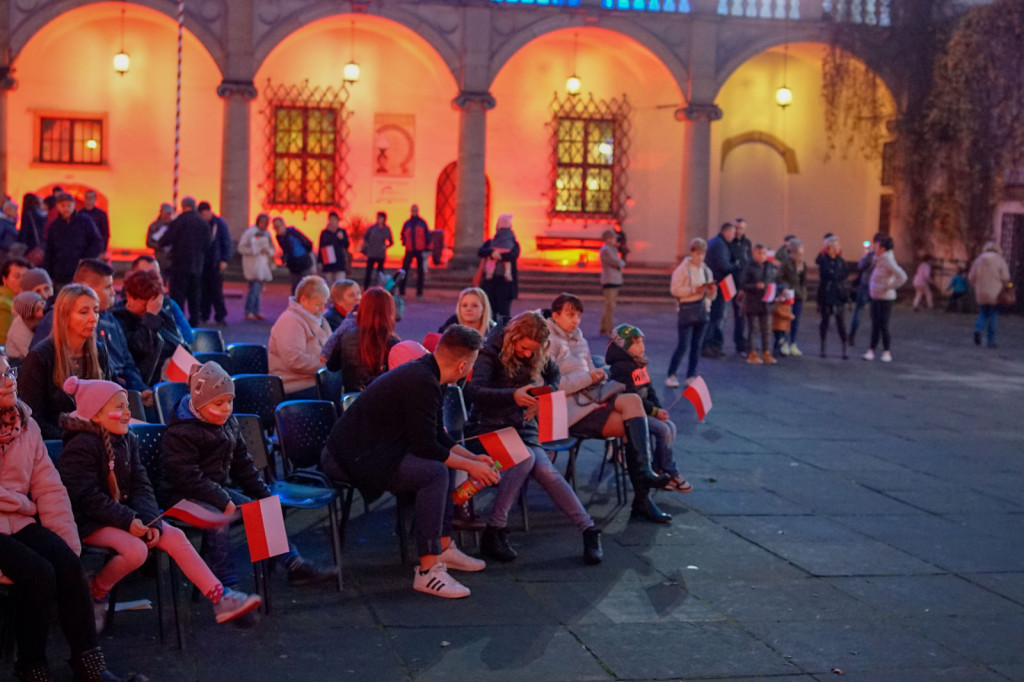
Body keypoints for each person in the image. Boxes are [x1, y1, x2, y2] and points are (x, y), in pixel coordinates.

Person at [55, 376, 261, 631]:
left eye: (127, 407)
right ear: (96, 415)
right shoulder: (81, 446)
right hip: (89, 520)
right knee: (136, 551)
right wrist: (129, 521)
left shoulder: (127, 439)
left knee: (172, 535)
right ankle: (97, 590)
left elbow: (141, 485)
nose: (126, 413)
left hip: (125, 515)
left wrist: (149, 518)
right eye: (118, 408)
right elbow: (86, 497)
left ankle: (221, 597)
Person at [0, 353, 149, 682]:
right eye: (2, 377)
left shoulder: (25, 424)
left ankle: (89, 665)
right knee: (37, 572)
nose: (11, 380)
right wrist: (12, 499)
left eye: (9, 371)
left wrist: (65, 541)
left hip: (17, 521)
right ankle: (31, 667)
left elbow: (48, 486)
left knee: (67, 564)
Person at [321, 326, 498, 599]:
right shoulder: (423, 381)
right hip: (350, 459)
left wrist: (472, 458)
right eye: (473, 363)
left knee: (442, 466)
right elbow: (426, 446)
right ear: (464, 365)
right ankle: (428, 571)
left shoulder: (429, 373)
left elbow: (436, 435)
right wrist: (471, 467)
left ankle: (443, 545)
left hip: (371, 451)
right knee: (435, 472)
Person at [160, 361, 336, 591]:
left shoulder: (227, 422)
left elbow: (242, 463)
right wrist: (223, 499)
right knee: (218, 517)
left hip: (212, 489)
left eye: (230, 401)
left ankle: (293, 564)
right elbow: (186, 477)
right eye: (219, 403)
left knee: (259, 509)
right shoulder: (180, 431)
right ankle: (225, 584)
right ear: (199, 403)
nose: (226, 408)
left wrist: (263, 495)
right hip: (180, 495)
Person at [464, 312, 603, 565]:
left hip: (520, 425)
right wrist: (513, 396)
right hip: (487, 427)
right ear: (513, 337)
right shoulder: (489, 352)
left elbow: (554, 374)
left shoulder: (536, 351)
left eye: (533, 351)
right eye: (525, 348)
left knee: (547, 472)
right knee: (525, 459)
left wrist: (543, 396)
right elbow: (472, 391)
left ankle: (588, 530)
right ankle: (495, 529)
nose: (528, 355)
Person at [544, 294, 672, 522]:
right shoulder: (548, 342)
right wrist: (589, 378)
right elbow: (552, 385)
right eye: (570, 315)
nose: (576, 320)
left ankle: (645, 480)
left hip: (591, 400)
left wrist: (599, 377)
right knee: (629, 428)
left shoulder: (579, 339)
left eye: (579, 315)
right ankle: (643, 495)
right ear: (555, 316)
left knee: (632, 400)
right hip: (568, 411)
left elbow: (590, 371)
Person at [606, 324, 691, 493]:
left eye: (641, 342)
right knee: (663, 430)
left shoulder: (639, 364)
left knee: (670, 427)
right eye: (636, 343)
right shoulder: (622, 367)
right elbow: (632, 395)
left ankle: (658, 467)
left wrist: (658, 409)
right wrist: (654, 411)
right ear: (624, 346)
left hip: (646, 410)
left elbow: (649, 390)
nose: (641, 346)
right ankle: (670, 471)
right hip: (632, 414)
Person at [19, 284, 110, 439]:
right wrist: (72, 439)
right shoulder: (40, 357)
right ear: (64, 316)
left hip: (95, 440)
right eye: (84, 312)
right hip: (57, 443)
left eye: (96, 311)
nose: (93, 318)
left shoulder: (100, 352)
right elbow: (33, 418)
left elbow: (108, 402)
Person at [110, 269, 188, 386]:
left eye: (153, 305)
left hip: (173, 378)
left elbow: (180, 345)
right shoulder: (117, 319)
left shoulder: (162, 315)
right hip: (144, 383)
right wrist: (150, 317)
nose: (149, 309)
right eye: (144, 305)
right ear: (129, 297)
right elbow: (138, 349)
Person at [323, 287, 398, 393]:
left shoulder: (347, 335)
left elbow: (332, 365)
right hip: (380, 402)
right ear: (388, 312)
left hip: (351, 402)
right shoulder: (392, 343)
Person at [268, 275, 331, 399]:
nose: (323, 309)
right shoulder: (290, 321)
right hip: (296, 386)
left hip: (318, 382)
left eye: (324, 303)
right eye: (318, 304)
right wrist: (327, 364)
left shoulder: (320, 320)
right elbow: (295, 360)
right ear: (303, 300)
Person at [666, 238, 716, 388]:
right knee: (683, 344)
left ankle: (691, 375)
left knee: (697, 345)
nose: (700, 257)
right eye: (698, 253)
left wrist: (711, 292)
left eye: (703, 254)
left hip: (703, 310)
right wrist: (695, 290)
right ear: (692, 252)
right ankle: (672, 374)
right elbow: (675, 290)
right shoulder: (682, 269)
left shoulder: (707, 270)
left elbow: (712, 295)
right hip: (687, 309)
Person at [158, 197, 212, 327]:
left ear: (183, 206)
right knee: (194, 295)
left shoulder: (179, 221)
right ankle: (194, 322)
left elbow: (166, 239)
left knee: (178, 296)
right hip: (197, 265)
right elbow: (208, 243)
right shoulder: (202, 222)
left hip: (179, 264)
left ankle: (179, 322)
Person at [44, 193, 104, 289]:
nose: (66, 209)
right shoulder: (54, 226)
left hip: (82, 271)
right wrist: (49, 274)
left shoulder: (85, 221)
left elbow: (97, 242)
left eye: (69, 205)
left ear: (74, 205)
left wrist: (86, 258)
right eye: (63, 206)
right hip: (61, 273)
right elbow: (49, 251)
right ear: (58, 207)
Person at [863, 235, 907, 362]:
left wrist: (889, 286)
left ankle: (886, 351)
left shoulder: (888, 260)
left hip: (885, 298)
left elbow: (902, 276)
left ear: (882, 248)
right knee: (875, 325)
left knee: (883, 325)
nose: (874, 247)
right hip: (876, 296)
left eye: (876, 245)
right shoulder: (878, 259)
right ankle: (871, 350)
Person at [701, 222, 739, 358]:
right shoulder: (720, 245)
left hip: (717, 284)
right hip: (721, 285)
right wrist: (737, 266)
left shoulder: (715, 242)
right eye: (733, 233)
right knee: (717, 317)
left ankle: (710, 345)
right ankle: (710, 346)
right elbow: (724, 266)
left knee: (715, 317)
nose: (734, 236)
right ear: (726, 232)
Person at [738, 244, 777, 365]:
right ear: (754, 254)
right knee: (753, 329)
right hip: (752, 302)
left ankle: (766, 352)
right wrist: (755, 286)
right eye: (759, 253)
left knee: (767, 329)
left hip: (766, 302)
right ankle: (752, 352)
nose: (762, 256)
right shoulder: (748, 267)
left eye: (764, 253)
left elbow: (774, 281)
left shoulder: (770, 267)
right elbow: (742, 284)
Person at [477, 214, 520, 321]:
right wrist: (492, 253)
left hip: (505, 283)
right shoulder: (490, 242)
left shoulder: (514, 243)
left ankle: (504, 332)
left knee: (504, 311)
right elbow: (481, 252)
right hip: (490, 283)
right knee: (489, 310)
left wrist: (498, 256)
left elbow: (513, 255)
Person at [968, 242, 1011, 348]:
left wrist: (977, 284)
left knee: (983, 313)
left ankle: (978, 329)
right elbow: (1006, 277)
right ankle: (990, 341)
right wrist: (1009, 286)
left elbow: (971, 277)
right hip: (996, 292)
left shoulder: (978, 260)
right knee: (993, 315)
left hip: (981, 292)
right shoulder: (1000, 260)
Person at [197, 201, 232, 326]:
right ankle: (204, 314)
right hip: (203, 263)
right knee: (204, 291)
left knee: (217, 291)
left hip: (215, 262)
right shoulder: (203, 224)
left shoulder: (219, 224)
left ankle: (220, 315)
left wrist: (224, 259)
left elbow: (226, 241)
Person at [816, 235, 850, 359]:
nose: (838, 248)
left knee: (840, 321)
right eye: (836, 246)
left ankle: (844, 346)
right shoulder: (824, 260)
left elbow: (845, 274)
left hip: (838, 294)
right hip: (827, 294)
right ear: (830, 247)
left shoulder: (840, 261)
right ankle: (823, 346)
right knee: (825, 321)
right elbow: (827, 275)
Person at [237, 213, 276, 321]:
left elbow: (272, 247)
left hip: (262, 263)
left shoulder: (267, 233)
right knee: (254, 288)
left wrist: (268, 252)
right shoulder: (249, 233)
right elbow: (241, 248)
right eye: (263, 222)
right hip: (252, 263)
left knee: (258, 288)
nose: (265, 225)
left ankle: (256, 310)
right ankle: (249, 310)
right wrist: (254, 251)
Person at [777, 238, 806, 356]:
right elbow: (779, 277)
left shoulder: (802, 264)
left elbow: (803, 281)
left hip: (798, 294)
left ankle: (793, 343)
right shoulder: (786, 263)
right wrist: (785, 287)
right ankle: (783, 342)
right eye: (801, 247)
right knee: (786, 319)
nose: (803, 250)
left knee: (795, 320)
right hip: (788, 294)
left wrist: (803, 293)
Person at [848, 237, 879, 347]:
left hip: (866, 284)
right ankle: (875, 339)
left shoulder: (871, 256)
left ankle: (851, 336)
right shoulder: (883, 256)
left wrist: (863, 257)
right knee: (875, 314)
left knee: (858, 311)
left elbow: (861, 266)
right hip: (877, 285)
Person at [729, 218, 753, 354]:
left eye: (741, 228)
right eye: (737, 228)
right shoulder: (729, 243)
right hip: (732, 282)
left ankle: (742, 343)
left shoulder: (747, 243)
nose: (739, 231)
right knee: (734, 315)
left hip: (744, 284)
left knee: (742, 315)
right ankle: (739, 342)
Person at [274, 217, 315, 294]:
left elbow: (307, 244)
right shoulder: (280, 237)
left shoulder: (292, 233)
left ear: (283, 225)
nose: (277, 229)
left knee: (304, 288)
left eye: (278, 226)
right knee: (295, 289)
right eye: (275, 227)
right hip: (293, 266)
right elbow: (287, 250)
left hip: (303, 263)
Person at [399, 205, 430, 300]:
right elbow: (402, 234)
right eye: (413, 210)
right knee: (404, 271)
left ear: (418, 211)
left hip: (420, 250)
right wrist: (405, 243)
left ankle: (419, 293)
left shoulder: (422, 222)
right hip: (409, 249)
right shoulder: (407, 223)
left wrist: (427, 248)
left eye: (416, 210)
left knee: (420, 272)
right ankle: (402, 291)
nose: (414, 212)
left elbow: (427, 235)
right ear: (411, 211)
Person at [599, 229, 625, 337]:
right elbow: (617, 262)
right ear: (608, 239)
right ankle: (608, 329)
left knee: (610, 305)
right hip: (609, 280)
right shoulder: (606, 250)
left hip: (614, 279)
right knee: (610, 305)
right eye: (614, 238)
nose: (616, 240)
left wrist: (621, 263)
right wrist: (621, 263)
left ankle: (604, 327)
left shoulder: (611, 249)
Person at [7, 291, 45, 361]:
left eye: (42, 303)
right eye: (37, 309)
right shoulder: (19, 331)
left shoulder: (40, 318)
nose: (43, 309)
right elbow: (34, 357)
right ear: (29, 315)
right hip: (20, 362)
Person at [0, 257, 30, 344]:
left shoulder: (28, 300)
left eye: (25, 276)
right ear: (4, 279)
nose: (21, 280)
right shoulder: (3, 304)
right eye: (17, 276)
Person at [361, 211, 393, 289]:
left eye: (381, 218)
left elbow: (391, 241)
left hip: (380, 254)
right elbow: (365, 237)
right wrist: (367, 245)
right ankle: (366, 288)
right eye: (378, 217)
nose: (379, 219)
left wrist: (386, 246)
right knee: (368, 272)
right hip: (371, 253)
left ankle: (378, 288)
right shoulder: (372, 228)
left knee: (380, 274)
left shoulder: (386, 229)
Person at [318, 211, 350, 285]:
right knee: (329, 285)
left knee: (340, 285)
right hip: (328, 262)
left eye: (334, 219)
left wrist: (342, 238)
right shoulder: (324, 233)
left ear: (337, 221)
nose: (333, 221)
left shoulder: (341, 231)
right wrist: (319, 261)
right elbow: (321, 247)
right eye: (331, 219)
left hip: (339, 263)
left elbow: (347, 245)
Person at [145, 202, 174, 275]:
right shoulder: (154, 226)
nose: (168, 216)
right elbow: (149, 242)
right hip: (161, 258)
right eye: (167, 213)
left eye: (169, 214)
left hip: (173, 258)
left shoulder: (174, 225)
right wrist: (160, 246)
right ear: (162, 212)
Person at [18, 192, 47, 264]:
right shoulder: (40, 213)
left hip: (30, 245)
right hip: (40, 244)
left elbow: (25, 230)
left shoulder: (27, 213)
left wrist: (21, 243)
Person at [80, 190, 110, 254]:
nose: (89, 200)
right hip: (83, 248)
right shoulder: (79, 214)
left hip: (97, 248)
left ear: (95, 199)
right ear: (84, 199)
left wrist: (103, 250)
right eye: (87, 198)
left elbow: (105, 233)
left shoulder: (101, 214)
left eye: (91, 198)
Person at [771, 290, 795, 357]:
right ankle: (776, 350)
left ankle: (780, 350)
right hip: (779, 325)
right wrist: (789, 316)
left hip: (784, 325)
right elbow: (778, 312)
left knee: (783, 339)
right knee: (779, 339)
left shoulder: (787, 303)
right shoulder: (778, 303)